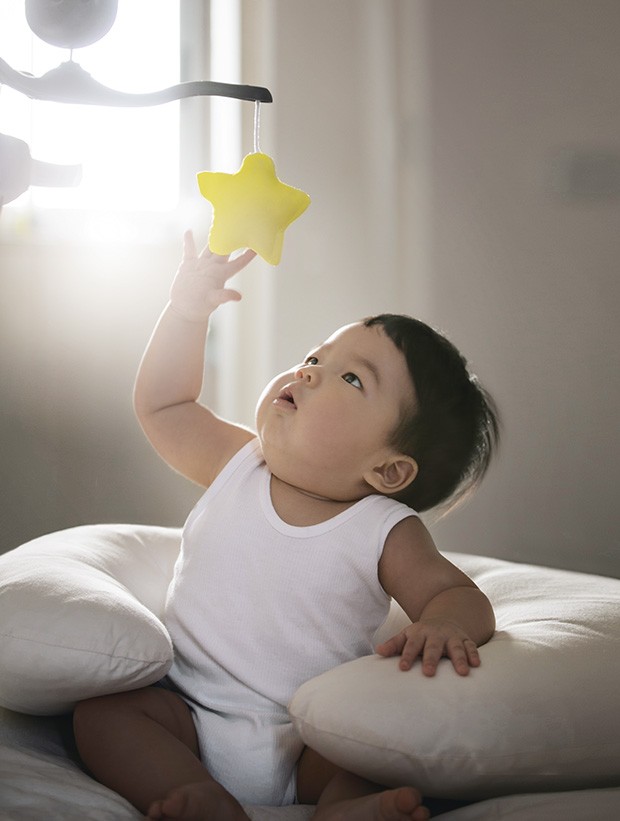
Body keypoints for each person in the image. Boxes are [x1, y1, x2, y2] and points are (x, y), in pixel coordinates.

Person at [73, 232, 500, 821]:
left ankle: (345, 809)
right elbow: (164, 405)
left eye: (353, 379)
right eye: (315, 358)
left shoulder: (381, 527)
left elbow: (456, 594)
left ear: (388, 470)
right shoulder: (238, 464)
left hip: (309, 735)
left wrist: (444, 626)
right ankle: (196, 795)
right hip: (187, 714)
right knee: (103, 716)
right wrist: (187, 313)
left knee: (379, 749)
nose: (310, 373)